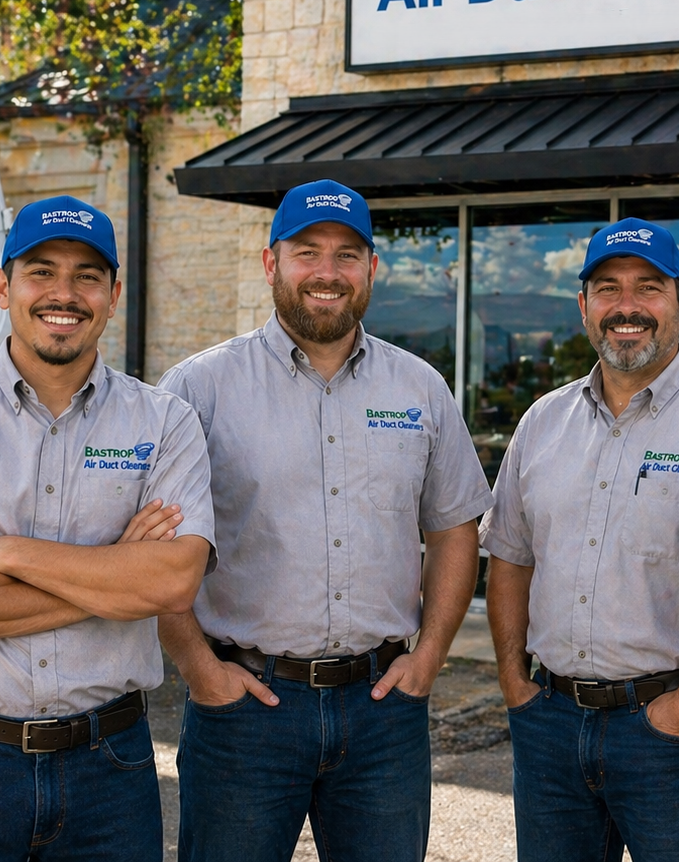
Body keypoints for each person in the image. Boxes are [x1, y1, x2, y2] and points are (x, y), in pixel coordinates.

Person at [156, 179, 493, 862]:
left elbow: (453, 528)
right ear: (270, 262)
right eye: (306, 252)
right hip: (244, 711)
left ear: (371, 268)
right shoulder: (197, 389)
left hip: (383, 713)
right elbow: (155, 549)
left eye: (347, 255)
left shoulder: (420, 388)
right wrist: (198, 669)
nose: (327, 272)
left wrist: (430, 655)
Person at [0, 195, 216, 861]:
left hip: (109, 769)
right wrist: (114, 577)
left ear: (113, 296)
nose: (65, 293)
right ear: (4, 287)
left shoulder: (165, 422)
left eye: (87, 275)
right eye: (41, 271)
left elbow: (173, 583)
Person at [480, 218, 679, 862]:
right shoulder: (542, 421)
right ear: (584, 306)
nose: (627, 306)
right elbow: (511, 558)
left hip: (673, 732)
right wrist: (514, 682)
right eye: (607, 288)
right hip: (551, 725)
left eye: (649, 287)